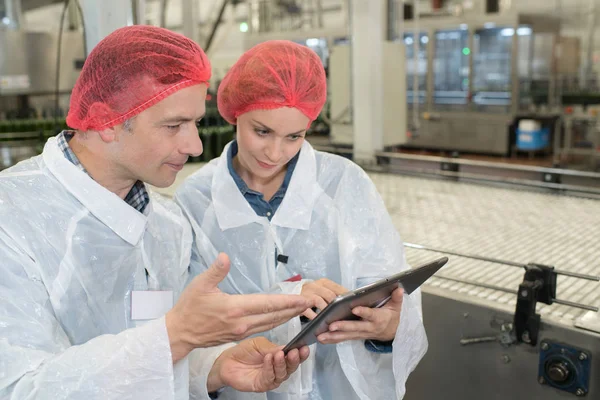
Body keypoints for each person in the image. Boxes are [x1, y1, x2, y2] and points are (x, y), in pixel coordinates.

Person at [0, 27, 315, 400]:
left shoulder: (167, 225)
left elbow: (157, 348)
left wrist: (213, 367)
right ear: (106, 121)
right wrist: (175, 335)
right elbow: (18, 387)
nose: (195, 145)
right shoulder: (12, 218)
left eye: (196, 122)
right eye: (173, 125)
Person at [175, 40, 428, 400]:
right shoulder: (196, 201)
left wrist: (389, 330)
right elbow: (185, 329)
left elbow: (392, 294)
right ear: (235, 114)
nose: (275, 153)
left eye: (294, 136)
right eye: (261, 131)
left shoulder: (343, 185)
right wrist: (291, 298)